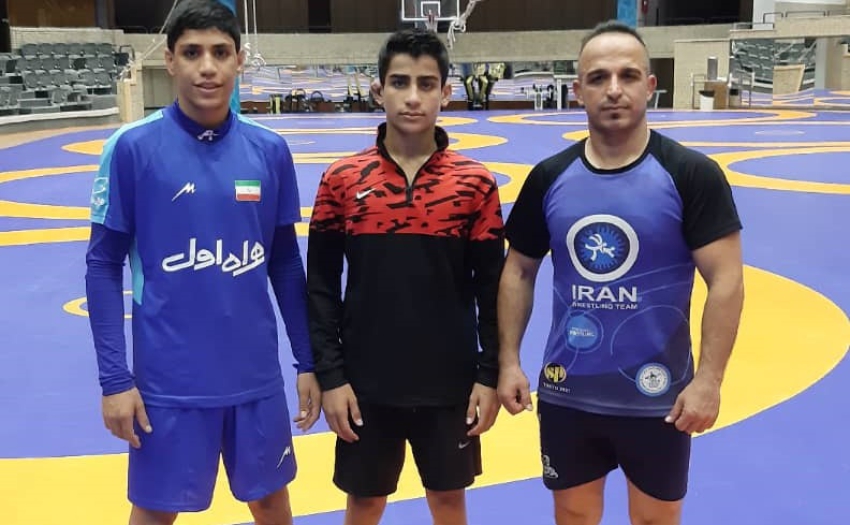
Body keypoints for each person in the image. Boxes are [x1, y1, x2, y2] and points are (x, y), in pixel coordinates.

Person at [496, 20, 744, 525]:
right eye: (598, 77)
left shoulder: (691, 175)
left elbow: (726, 281)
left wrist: (709, 380)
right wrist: (509, 361)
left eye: (628, 76)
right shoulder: (549, 178)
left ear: (650, 86)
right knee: (573, 516)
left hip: (659, 395)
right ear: (578, 90)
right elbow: (518, 270)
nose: (613, 89)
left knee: (655, 520)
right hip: (569, 391)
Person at [84, 1, 320, 524]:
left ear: (239, 60)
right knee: (155, 510)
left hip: (255, 376)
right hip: (169, 381)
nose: (207, 67)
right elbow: (102, 266)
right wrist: (115, 380)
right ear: (169, 60)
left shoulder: (270, 151)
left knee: (271, 502)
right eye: (192, 53)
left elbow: (284, 262)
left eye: (220, 52)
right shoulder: (131, 148)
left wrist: (307, 361)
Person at [307, 27, 504, 525]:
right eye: (399, 82)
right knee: (364, 503)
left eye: (426, 84)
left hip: (450, 383)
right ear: (378, 91)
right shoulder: (341, 180)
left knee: (448, 501)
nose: (412, 97)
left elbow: (492, 289)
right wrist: (332, 376)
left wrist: (489, 375)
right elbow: (322, 286)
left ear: (446, 93)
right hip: (365, 384)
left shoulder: (475, 184)